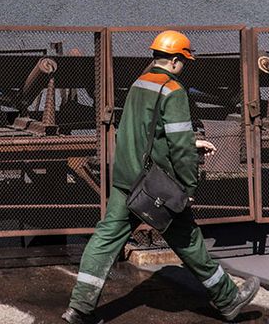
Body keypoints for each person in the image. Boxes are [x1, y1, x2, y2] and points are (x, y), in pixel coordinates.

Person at [62, 30, 259, 323]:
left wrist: (191, 141)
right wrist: (189, 184)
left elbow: (147, 130)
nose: (185, 66)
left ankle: (79, 308)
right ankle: (228, 298)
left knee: (104, 240)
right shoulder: (173, 90)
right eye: (185, 61)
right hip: (157, 185)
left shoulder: (139, 84)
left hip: (127, 179)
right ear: (177, 60)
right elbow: (177, 144)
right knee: (188, 240)